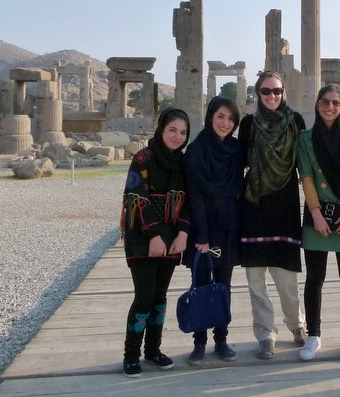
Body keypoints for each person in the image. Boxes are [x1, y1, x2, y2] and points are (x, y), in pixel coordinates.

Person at [296, 84, 340, 362]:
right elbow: (306, 175)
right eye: (325, 102)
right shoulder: (306, 138)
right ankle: (313, 334)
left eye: (335, 102)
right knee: (315, 278)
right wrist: (315, 212)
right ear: (317, 105)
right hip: (317, 212)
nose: (330, 107)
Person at [239, 71, 307, 359]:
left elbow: (306, 165)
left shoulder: (295, 122)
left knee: (286, 278)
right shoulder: (248, 124)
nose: (271, 96)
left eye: (276, 91)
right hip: (254, 206)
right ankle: (265, 333)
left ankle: (297, 324)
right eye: (266, 91)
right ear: (258, 93)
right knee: (256, 281)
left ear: (283, 92)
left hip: (285, 205)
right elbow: (238, 163)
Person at [120, 107, 190, 378]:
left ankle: (153, 350)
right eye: (172, 130)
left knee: (160, 298)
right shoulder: (143, 158)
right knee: (144, 297)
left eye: (182, 132)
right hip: (142, 236)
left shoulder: (182, 162)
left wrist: (183, 234)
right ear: (161, 129)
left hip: (171, 237)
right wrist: (154, 236)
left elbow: (187, 201)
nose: (177, 137)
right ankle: (131, 355)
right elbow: (136, 197)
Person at [181, 96, 242, 365]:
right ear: (210, 117)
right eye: (220, 117)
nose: (225, 123)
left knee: (224, 284)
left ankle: (221, 339)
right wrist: (202, 237)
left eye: (231, 119)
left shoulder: (236, 149)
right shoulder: (196, 150)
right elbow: (194, 195)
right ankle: (199, 341)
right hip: (202, 228)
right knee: (202, 283)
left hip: (228, 226)